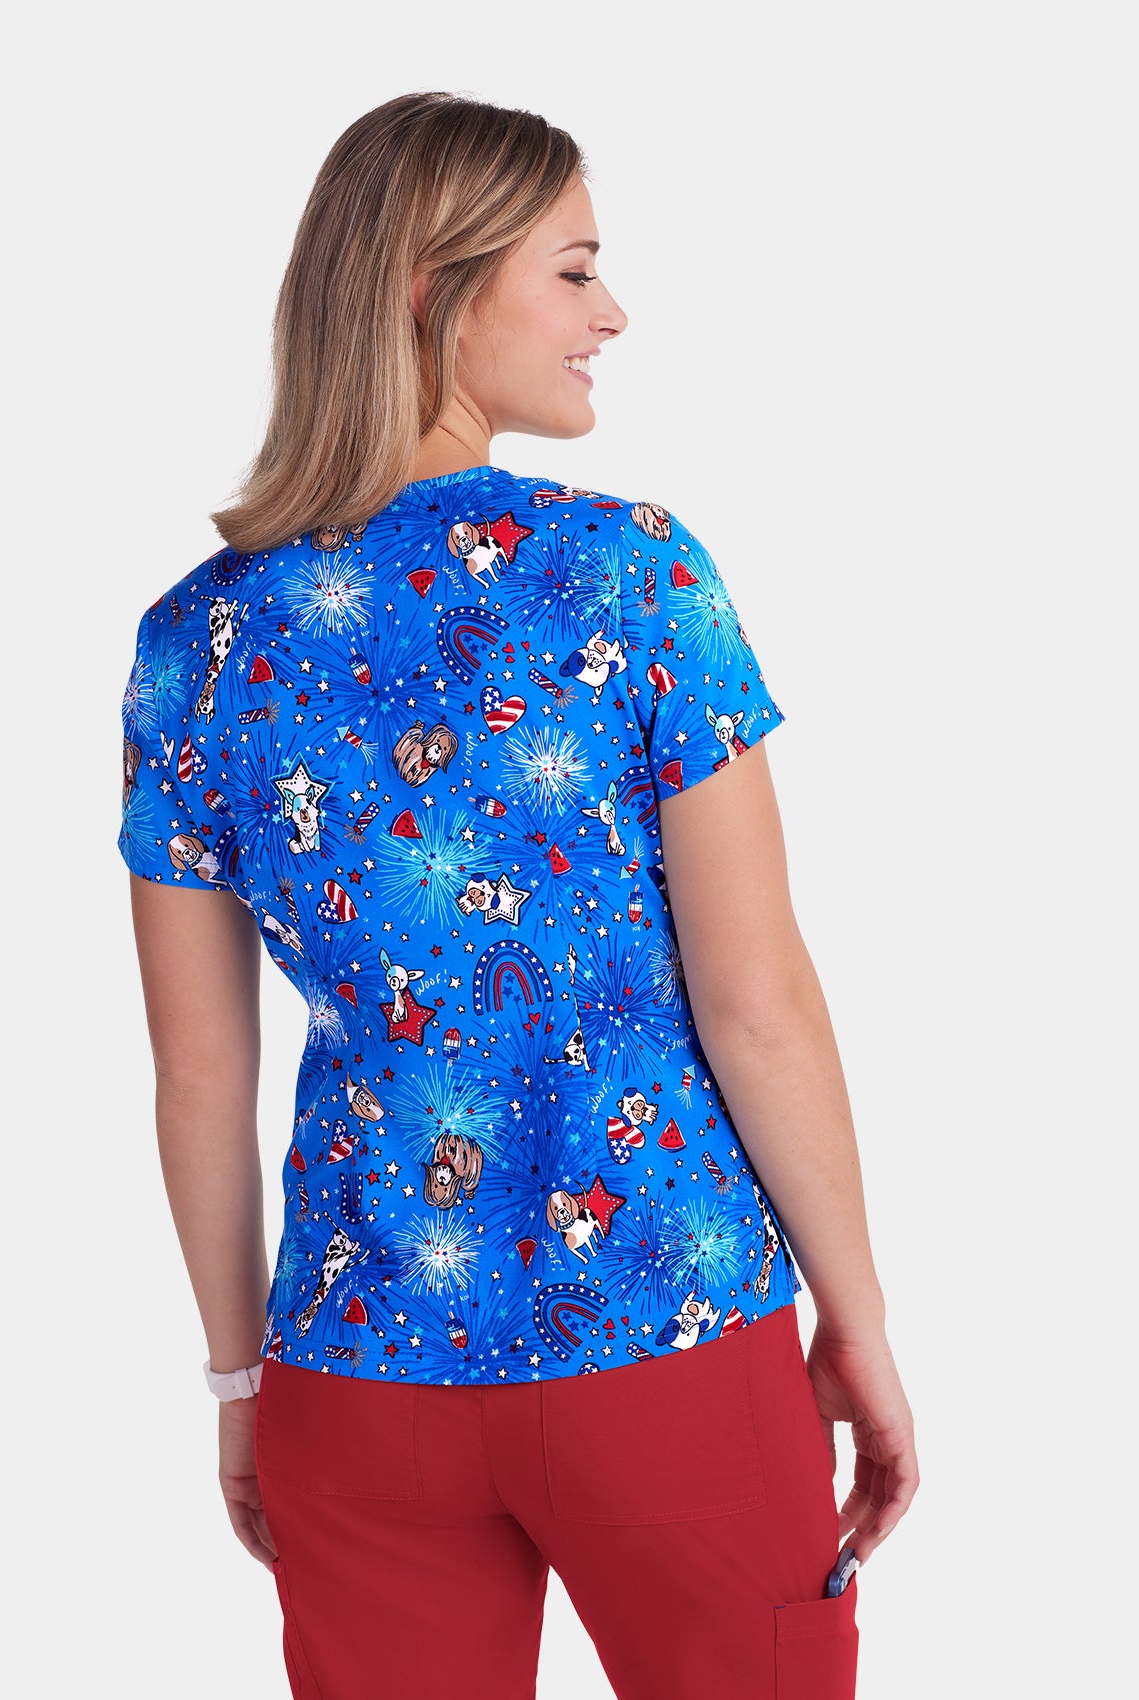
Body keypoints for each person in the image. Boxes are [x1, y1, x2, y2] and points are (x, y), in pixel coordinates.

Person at [117, 91, 918, 1700]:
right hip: (664, 1335)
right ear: (435, 287)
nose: (611, 314)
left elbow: (198, 1071)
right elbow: (758, 1003)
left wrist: (239, 1384)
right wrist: (860, 1328)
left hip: (355, 1375)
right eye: (574, 271)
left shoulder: (195, 638)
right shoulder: (634, 574)